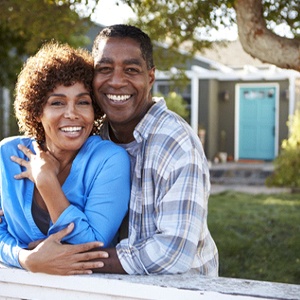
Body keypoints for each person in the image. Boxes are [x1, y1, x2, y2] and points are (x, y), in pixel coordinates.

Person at [1, 24, 218, 276]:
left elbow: (173, 253)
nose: (116, 81)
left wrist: (62, 258)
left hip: (182, 288)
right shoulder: (98, 134)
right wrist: (25, 258)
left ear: (150, 77)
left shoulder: (175, 144)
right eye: (104, 69)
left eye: (131, 70)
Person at [0, 41, 131, 272]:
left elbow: (92, 246)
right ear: (37, 111)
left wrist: (46, 181)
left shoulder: (109, 160)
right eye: (57, 103)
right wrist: (26, 258)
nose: (72, 114)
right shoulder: (8, 155)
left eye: (83, 102)